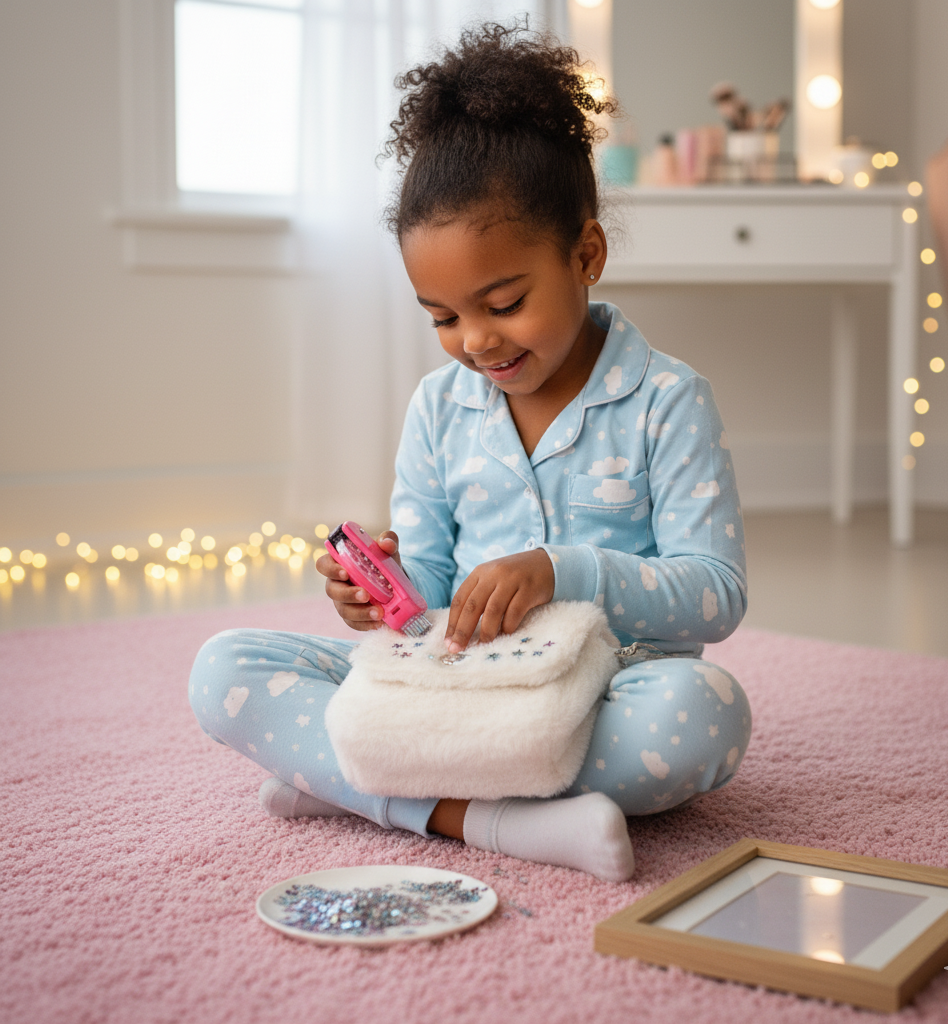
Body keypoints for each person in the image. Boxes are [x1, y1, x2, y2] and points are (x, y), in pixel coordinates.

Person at [189, 23, 751, 883]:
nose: (476, 341)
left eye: (505, 301)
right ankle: (489, 819)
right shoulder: (438, 407)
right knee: (223, 669)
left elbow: (714, 595)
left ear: (586, 255)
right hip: (453, 689)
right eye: (443, 317)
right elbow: (432, 610)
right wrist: (381, 592)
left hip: (604, 692)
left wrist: (561, 571)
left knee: (704, 716)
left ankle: (363, 788)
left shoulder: (668, 401)